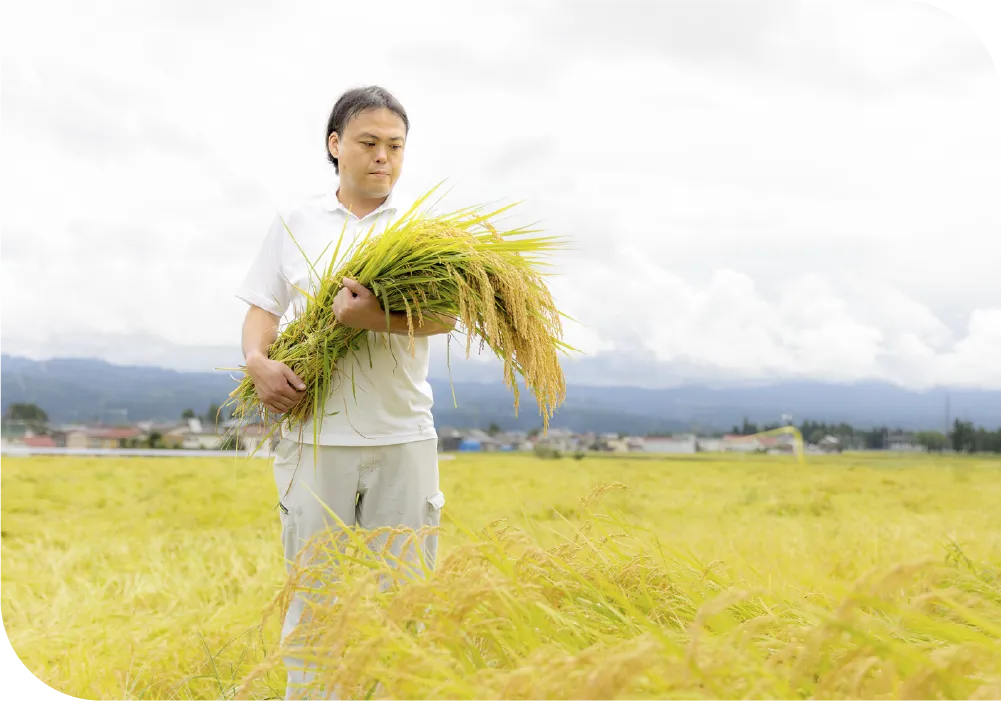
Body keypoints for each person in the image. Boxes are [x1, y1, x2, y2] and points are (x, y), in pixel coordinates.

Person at [235, 85, 454, 700]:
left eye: (395, 146)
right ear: (336, 146)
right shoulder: (294, 222)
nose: (383, 157)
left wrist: (371, 320)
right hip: (313, 437)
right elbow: (262, 308)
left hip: (402, 436)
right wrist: (257, 362)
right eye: (369, 143)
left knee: (405, 596)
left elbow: (445, 318)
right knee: (313, 594)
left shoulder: (422, 229)